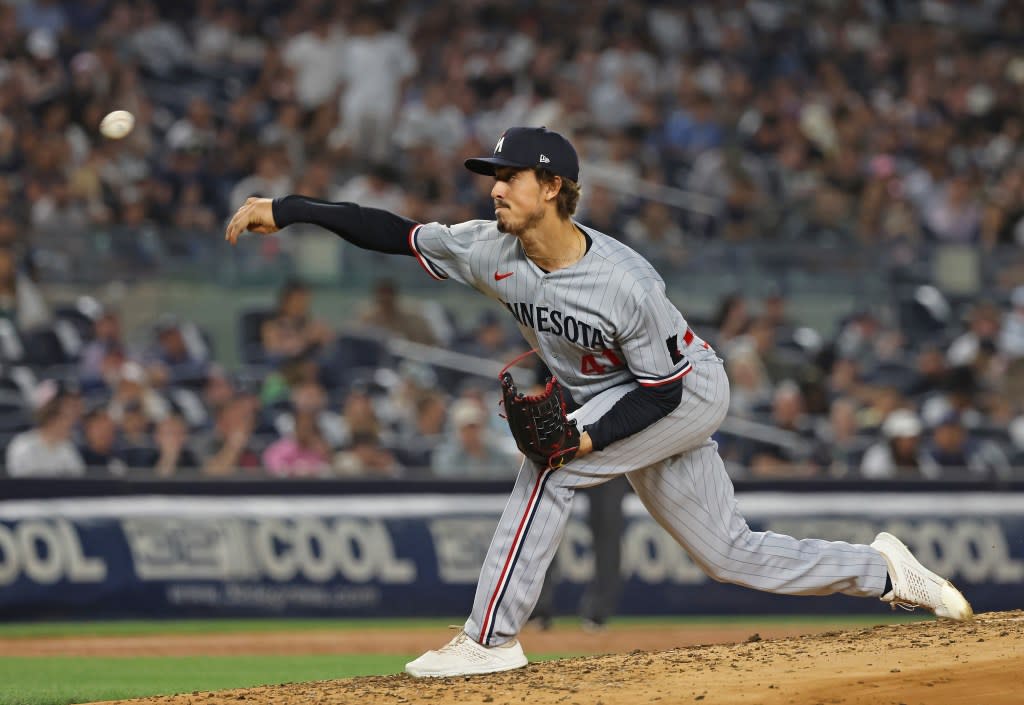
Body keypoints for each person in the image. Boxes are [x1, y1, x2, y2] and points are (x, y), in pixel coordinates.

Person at [226, 126, 972, 679]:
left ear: (553, 187)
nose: (495, 186)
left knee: (550, 463)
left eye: (511, 175)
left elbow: (663, 389)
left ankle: (491, 636)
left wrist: (583, 442)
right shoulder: (489, 246)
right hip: (629, 394)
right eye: (494, 174)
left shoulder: (624, 282)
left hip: (682, 391)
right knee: (728, 552)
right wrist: (289, 209)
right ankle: (883, 571)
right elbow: (394, 231)